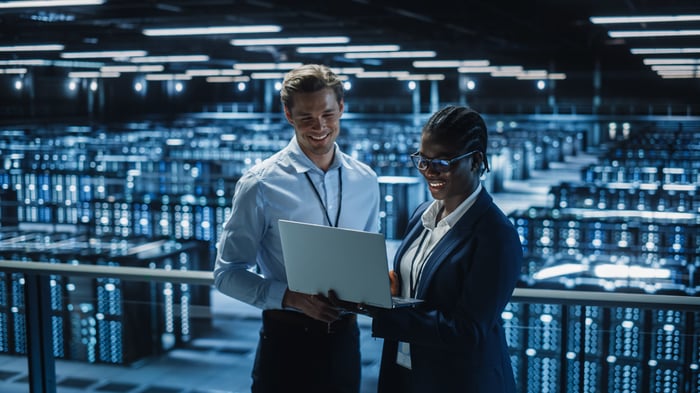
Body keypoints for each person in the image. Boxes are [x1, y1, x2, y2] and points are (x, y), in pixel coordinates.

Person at [213, 64, 380, 393]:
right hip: (286, 344)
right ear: (288, 115)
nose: (319, 127)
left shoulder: (366, 180)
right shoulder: (260, 184)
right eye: (306, 117)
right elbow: (226, 274)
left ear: (342, 108)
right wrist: (290, 297)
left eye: (328, 114)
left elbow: (367, 259)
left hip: (346, 341)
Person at [368, 105, 522, 393]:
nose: (429, 171)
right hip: (406, 372)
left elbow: (467, 331)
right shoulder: (421, 214)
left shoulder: (495, 235)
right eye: (423, 160)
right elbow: (420, 291)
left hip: (458, 381)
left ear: (476, 161)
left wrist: (386, 314)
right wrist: (390, 293)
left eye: (442, 162)